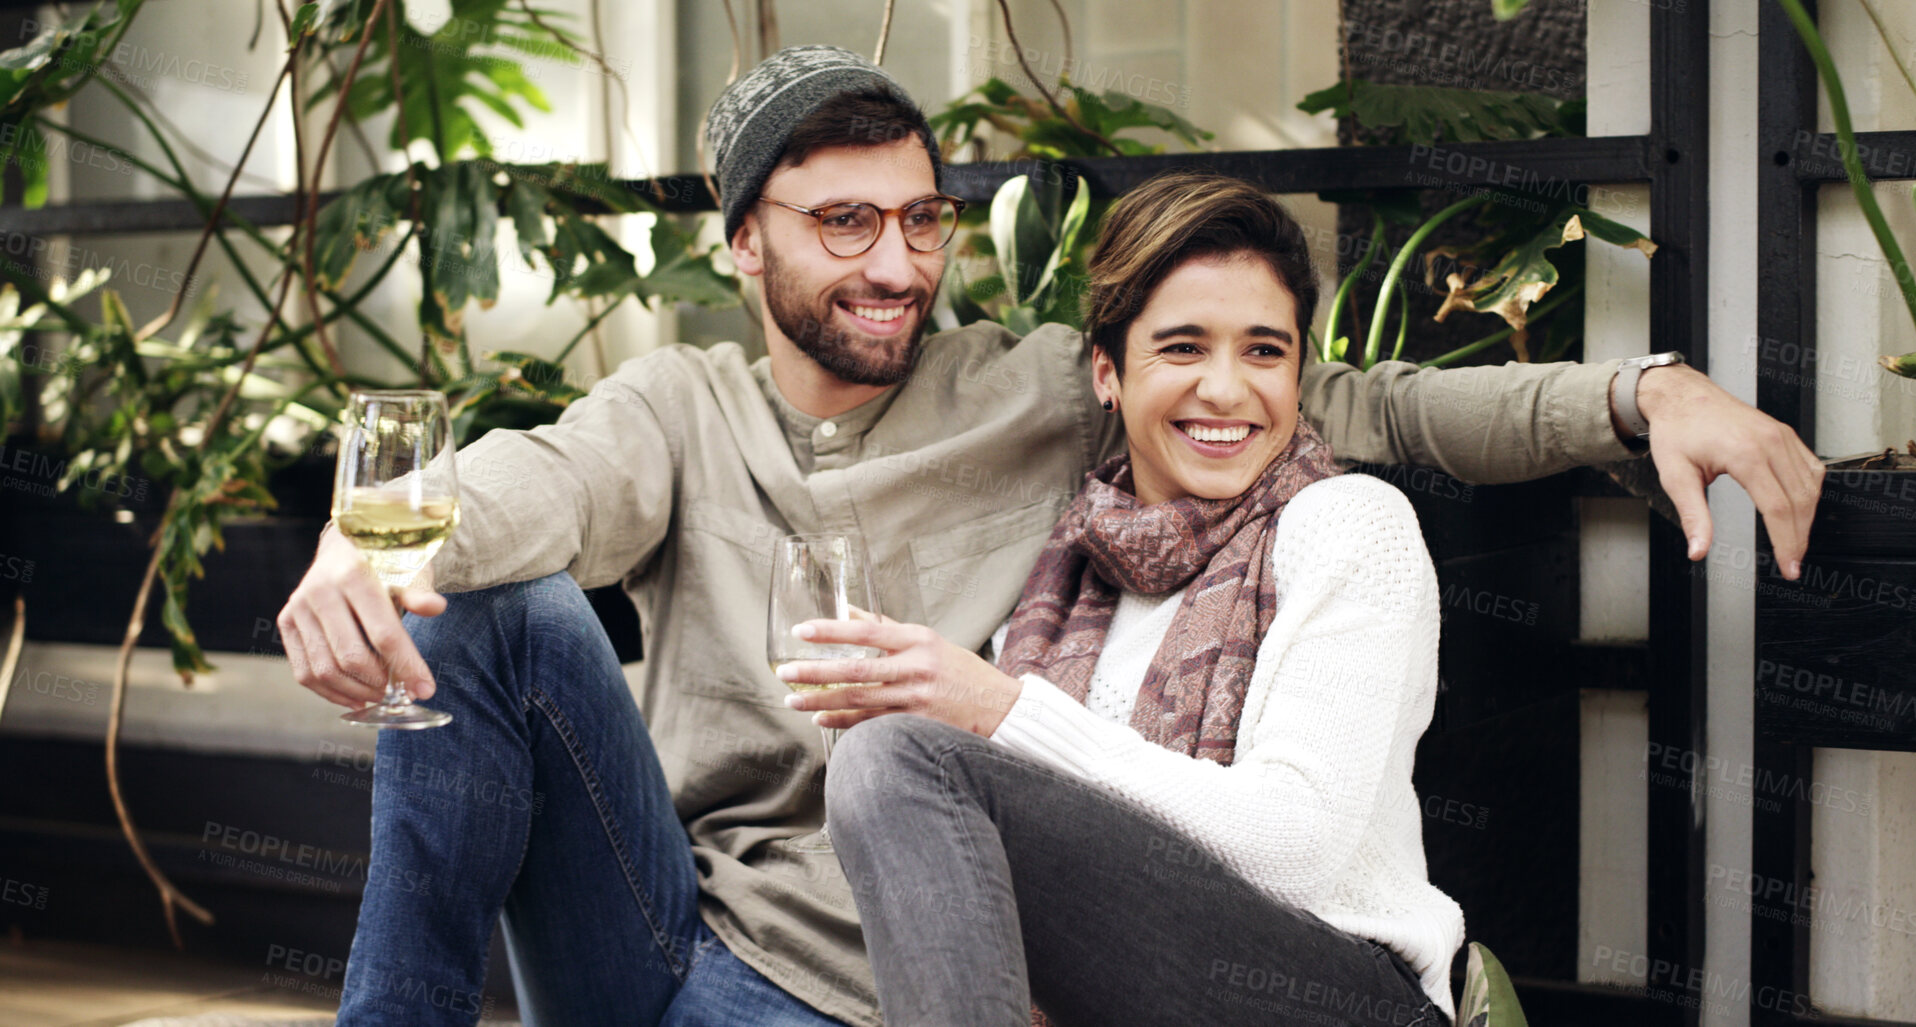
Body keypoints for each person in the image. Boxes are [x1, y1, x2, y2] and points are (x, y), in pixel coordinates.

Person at [275, 45, 1820, 1027]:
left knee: (895, 756)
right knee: (484, 610)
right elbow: (534, 483)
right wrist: (377, 536)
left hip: (883, 979)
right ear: (740, 241)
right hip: (670, 934)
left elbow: (1370, 403)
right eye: (843, 224)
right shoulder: (672, 408)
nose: (896, 263)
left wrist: (1636, 390)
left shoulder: (1039, 389)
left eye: (920, 220)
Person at [787, 171, 1457, 1027]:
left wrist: (1001, 709)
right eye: (1182, 348)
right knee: (879, 751)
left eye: (1263, 350)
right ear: (1106, 370)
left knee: (897, 755)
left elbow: (1294, 853)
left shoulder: (1349, 525)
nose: (1225, 389)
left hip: (1344, 993)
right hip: (1149, 991)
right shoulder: (1069, 571)